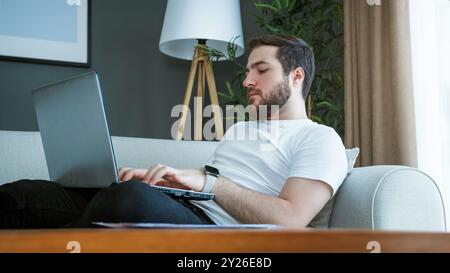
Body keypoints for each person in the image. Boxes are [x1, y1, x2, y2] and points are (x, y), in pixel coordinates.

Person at [0, 35, 347, 229]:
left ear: (296, 76)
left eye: (261, 69)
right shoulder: (242, 128)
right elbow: (208, 185)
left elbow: (290, 219)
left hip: (212, 230)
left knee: (128, 198)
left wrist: (207, 183)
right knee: (26, 195)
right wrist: (169, 183)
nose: (246, 81)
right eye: (247, 71)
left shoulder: (320, 138)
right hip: (183, 208)